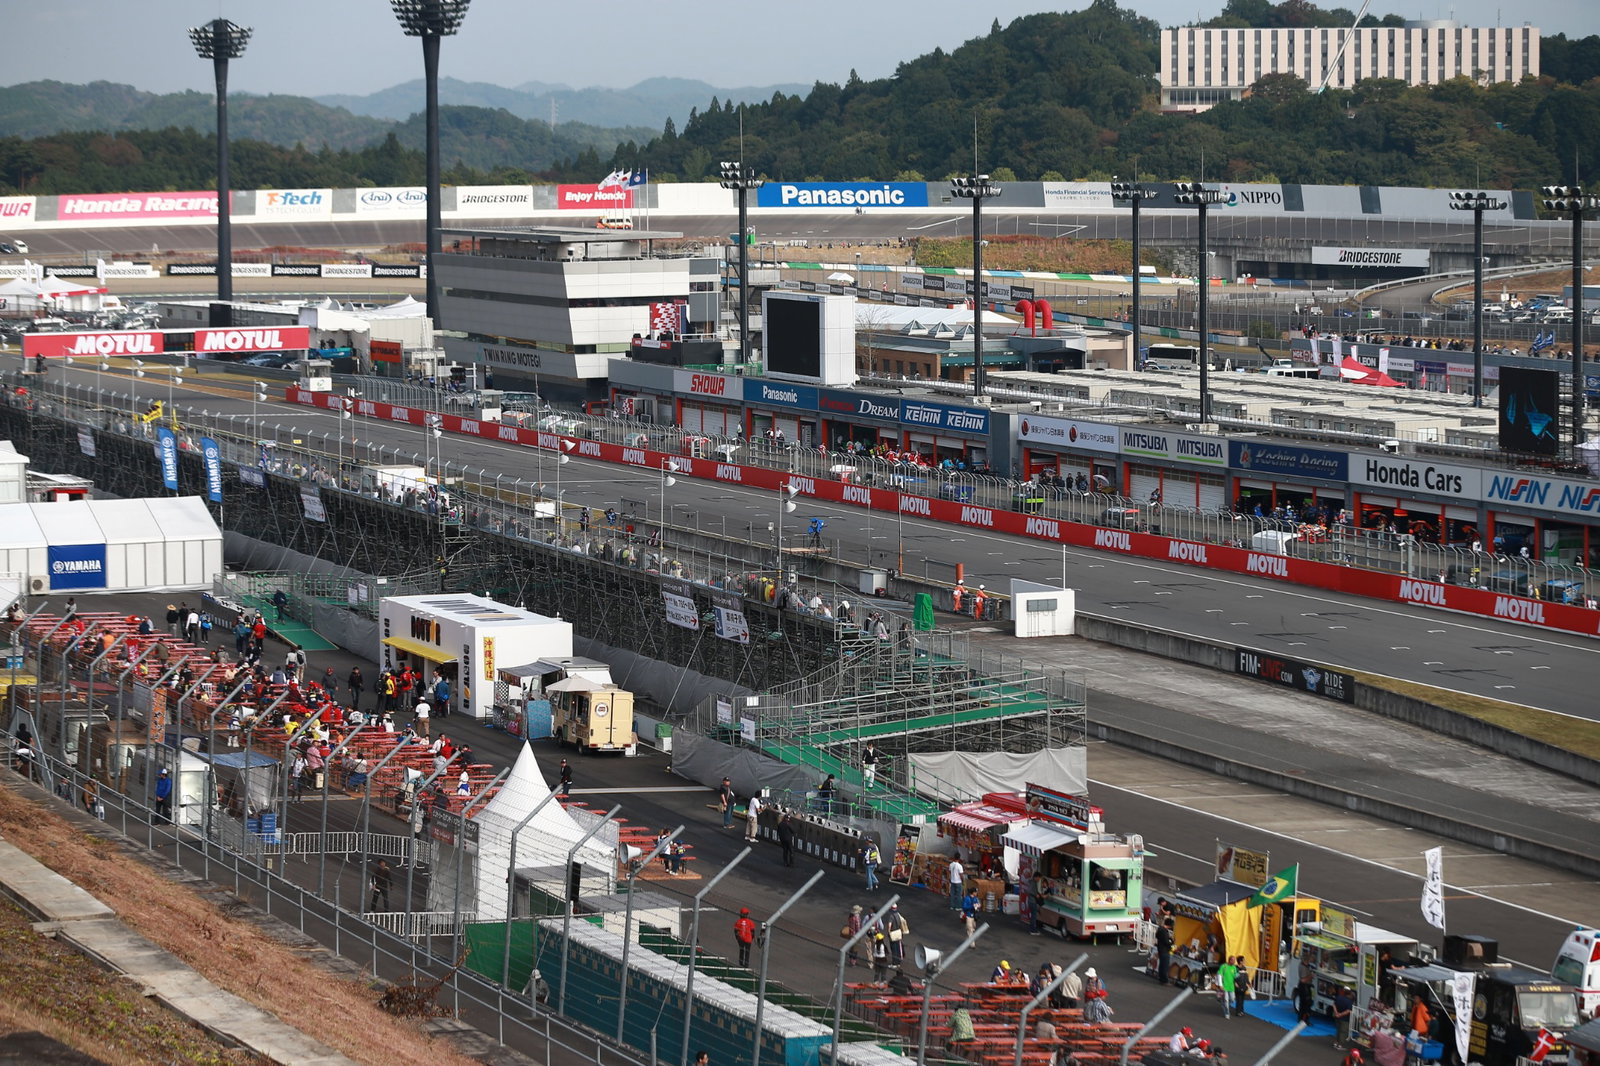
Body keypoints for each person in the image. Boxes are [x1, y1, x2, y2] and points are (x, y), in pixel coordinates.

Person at [1332, 985, 1355, 1049]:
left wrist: (1336, 1013)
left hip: (1337, 1017)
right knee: (1343, 1032)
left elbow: (1334, 1005)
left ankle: (1335, 1042)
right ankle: (1340, 1045)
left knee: (1338, 1030)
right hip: (1345, 1019)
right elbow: (1348, 1011)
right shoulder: (1349, 1002)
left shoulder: (1339, 997)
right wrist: (1341, 1014)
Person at [1155, 918, 1174, 985]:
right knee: (1165, 966)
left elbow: (1157, 936)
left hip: (1160, 949)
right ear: (1170, 925)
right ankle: (1165, 980)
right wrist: (1171, 942)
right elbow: (1166, 942)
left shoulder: (1160, 929)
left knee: (1161, 965)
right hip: (1165, 950)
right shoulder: (1164, 931)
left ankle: (1161, 978)